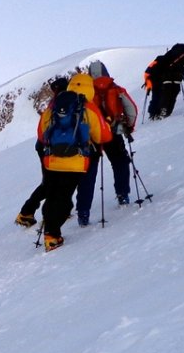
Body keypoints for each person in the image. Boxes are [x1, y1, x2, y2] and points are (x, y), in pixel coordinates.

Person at [34, 70, 112, 250]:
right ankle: (52, 236)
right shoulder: (88, 107)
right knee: (65, 198)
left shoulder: (54, 106)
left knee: (53, 194)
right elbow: (103, 136)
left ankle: (49, 226)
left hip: (52, 159)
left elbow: (41, 134)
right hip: (76, 161)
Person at [76, 60, 139, 223]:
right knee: (120, 162)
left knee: (89, 173)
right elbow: (131, 108)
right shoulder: (116, 88)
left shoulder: (86, 92)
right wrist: (129, 127)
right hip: (114, 131)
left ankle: (83, 213)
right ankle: (122, 194)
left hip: (92, 137)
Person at [15, 74, 72, 228]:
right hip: (51, 149)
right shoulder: (63, 105)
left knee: (52, 182)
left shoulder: (53, 105)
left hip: (44, 147)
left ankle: (29, 213)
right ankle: (28, 212)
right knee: (51, 183)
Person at [143, 44, 184, 119]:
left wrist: (148, 83)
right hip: (176, 78)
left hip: (161, 79)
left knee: (158, 96)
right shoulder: (183, 55)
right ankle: (167, 112)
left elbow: (148, 72)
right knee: (172, 95)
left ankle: (155, 113)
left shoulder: (161, 58)